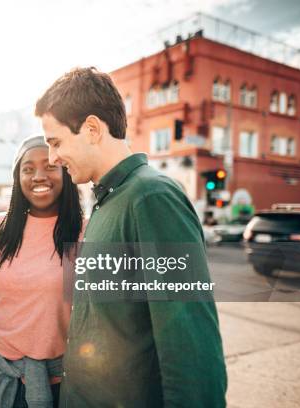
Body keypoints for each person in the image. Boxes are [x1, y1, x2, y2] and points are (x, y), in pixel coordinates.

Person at [35, 67, 227, 407]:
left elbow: (191, 347)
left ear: (92, 129)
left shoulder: (152, 197)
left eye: (56, 142)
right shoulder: (107, 200)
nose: (52, 158)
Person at [0, 135, 84, 408]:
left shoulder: (85, 232)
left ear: (66, 172)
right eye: (28, 169)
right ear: (17, 178)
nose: (38, 176)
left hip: (60, 382)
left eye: (50, 166)